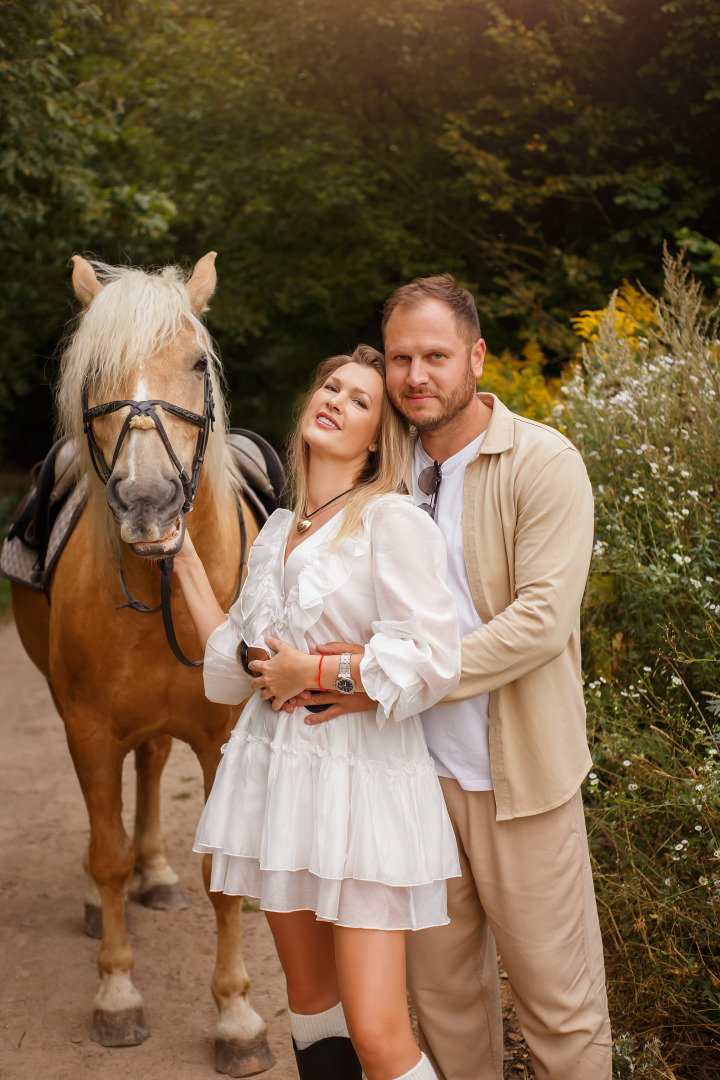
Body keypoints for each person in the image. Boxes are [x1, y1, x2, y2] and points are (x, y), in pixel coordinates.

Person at [298, 277, 612, 1080]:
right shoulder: (383, 479)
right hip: (410, 788)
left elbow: (541, 621)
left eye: (435, 356)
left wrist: (377, 679)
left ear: (475, 355)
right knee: (444, 1013)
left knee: (561, 1013)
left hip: (522, 786)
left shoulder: (543, 460)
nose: (414, 376)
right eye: (400, 358)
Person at [172, 344, 462, 1080]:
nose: (336, 400)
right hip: (282, 778)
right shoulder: (276, 530)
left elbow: (434, 656)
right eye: (331, 386)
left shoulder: (390, 520)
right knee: (311, 1002)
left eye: (361, 399)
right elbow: (234, 660)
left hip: (362, 782)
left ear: (378, 440)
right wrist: (178, 558)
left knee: (376, 1028)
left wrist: (324, 669)